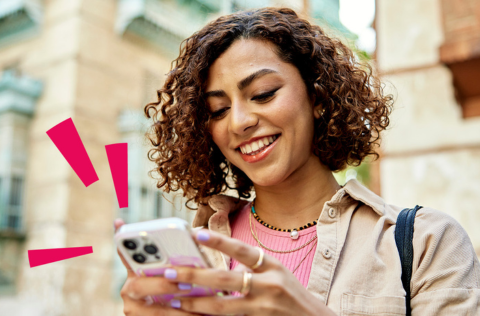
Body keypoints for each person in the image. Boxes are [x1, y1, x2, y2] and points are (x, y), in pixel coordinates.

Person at [114, 7, 480, 316]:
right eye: (218, 110)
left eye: (263, 94)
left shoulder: (425, 244)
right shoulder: (196, 258)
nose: (239, 121)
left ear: (317, 95)